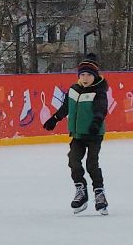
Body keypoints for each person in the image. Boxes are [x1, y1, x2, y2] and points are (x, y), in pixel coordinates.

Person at [42, 54, 111, 214]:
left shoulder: (99, 92)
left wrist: (96, 123)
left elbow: (101, 109)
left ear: (95, 76)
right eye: (82, 75)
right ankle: (81, 190)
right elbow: (66, 107)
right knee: (73, 160)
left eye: (89, 75)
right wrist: (54, 118)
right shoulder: (74, 90)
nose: (85, 78)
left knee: (92, 164)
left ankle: (99, 193)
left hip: (94, 134)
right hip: (77, 134)